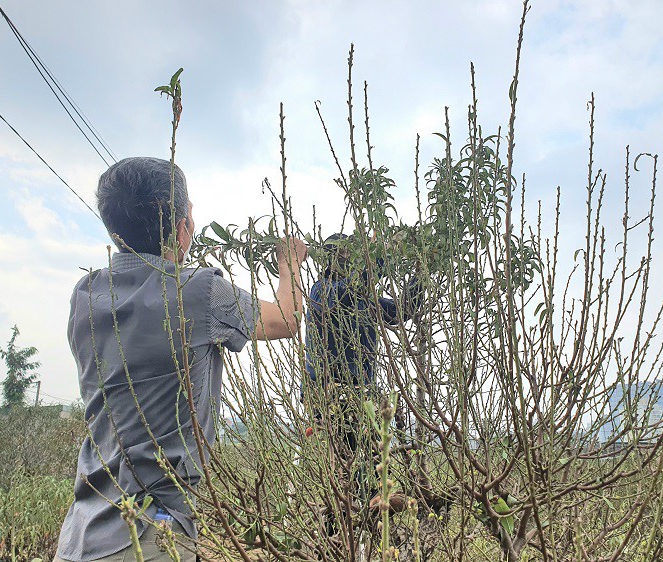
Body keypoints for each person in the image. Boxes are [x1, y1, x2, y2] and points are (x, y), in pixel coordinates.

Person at [54, 157, 307, 562]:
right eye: (189, 213)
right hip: (151, 540)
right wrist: (290, 263)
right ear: (182, 228)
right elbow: (286, 319)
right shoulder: (199, 290)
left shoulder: (84, 296)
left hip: (82, 533)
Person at [304, 233, 417, 520]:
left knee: (370, 445)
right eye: (347, 256)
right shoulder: (322, 290)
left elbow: (403, 309)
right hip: (329, 391)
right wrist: (381, 252)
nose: (350, 261)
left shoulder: (363, 299)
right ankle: (343, 523)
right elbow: (353, 288)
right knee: (349, 457)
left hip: (358, 391)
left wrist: (420, 270)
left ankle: (370, 505)